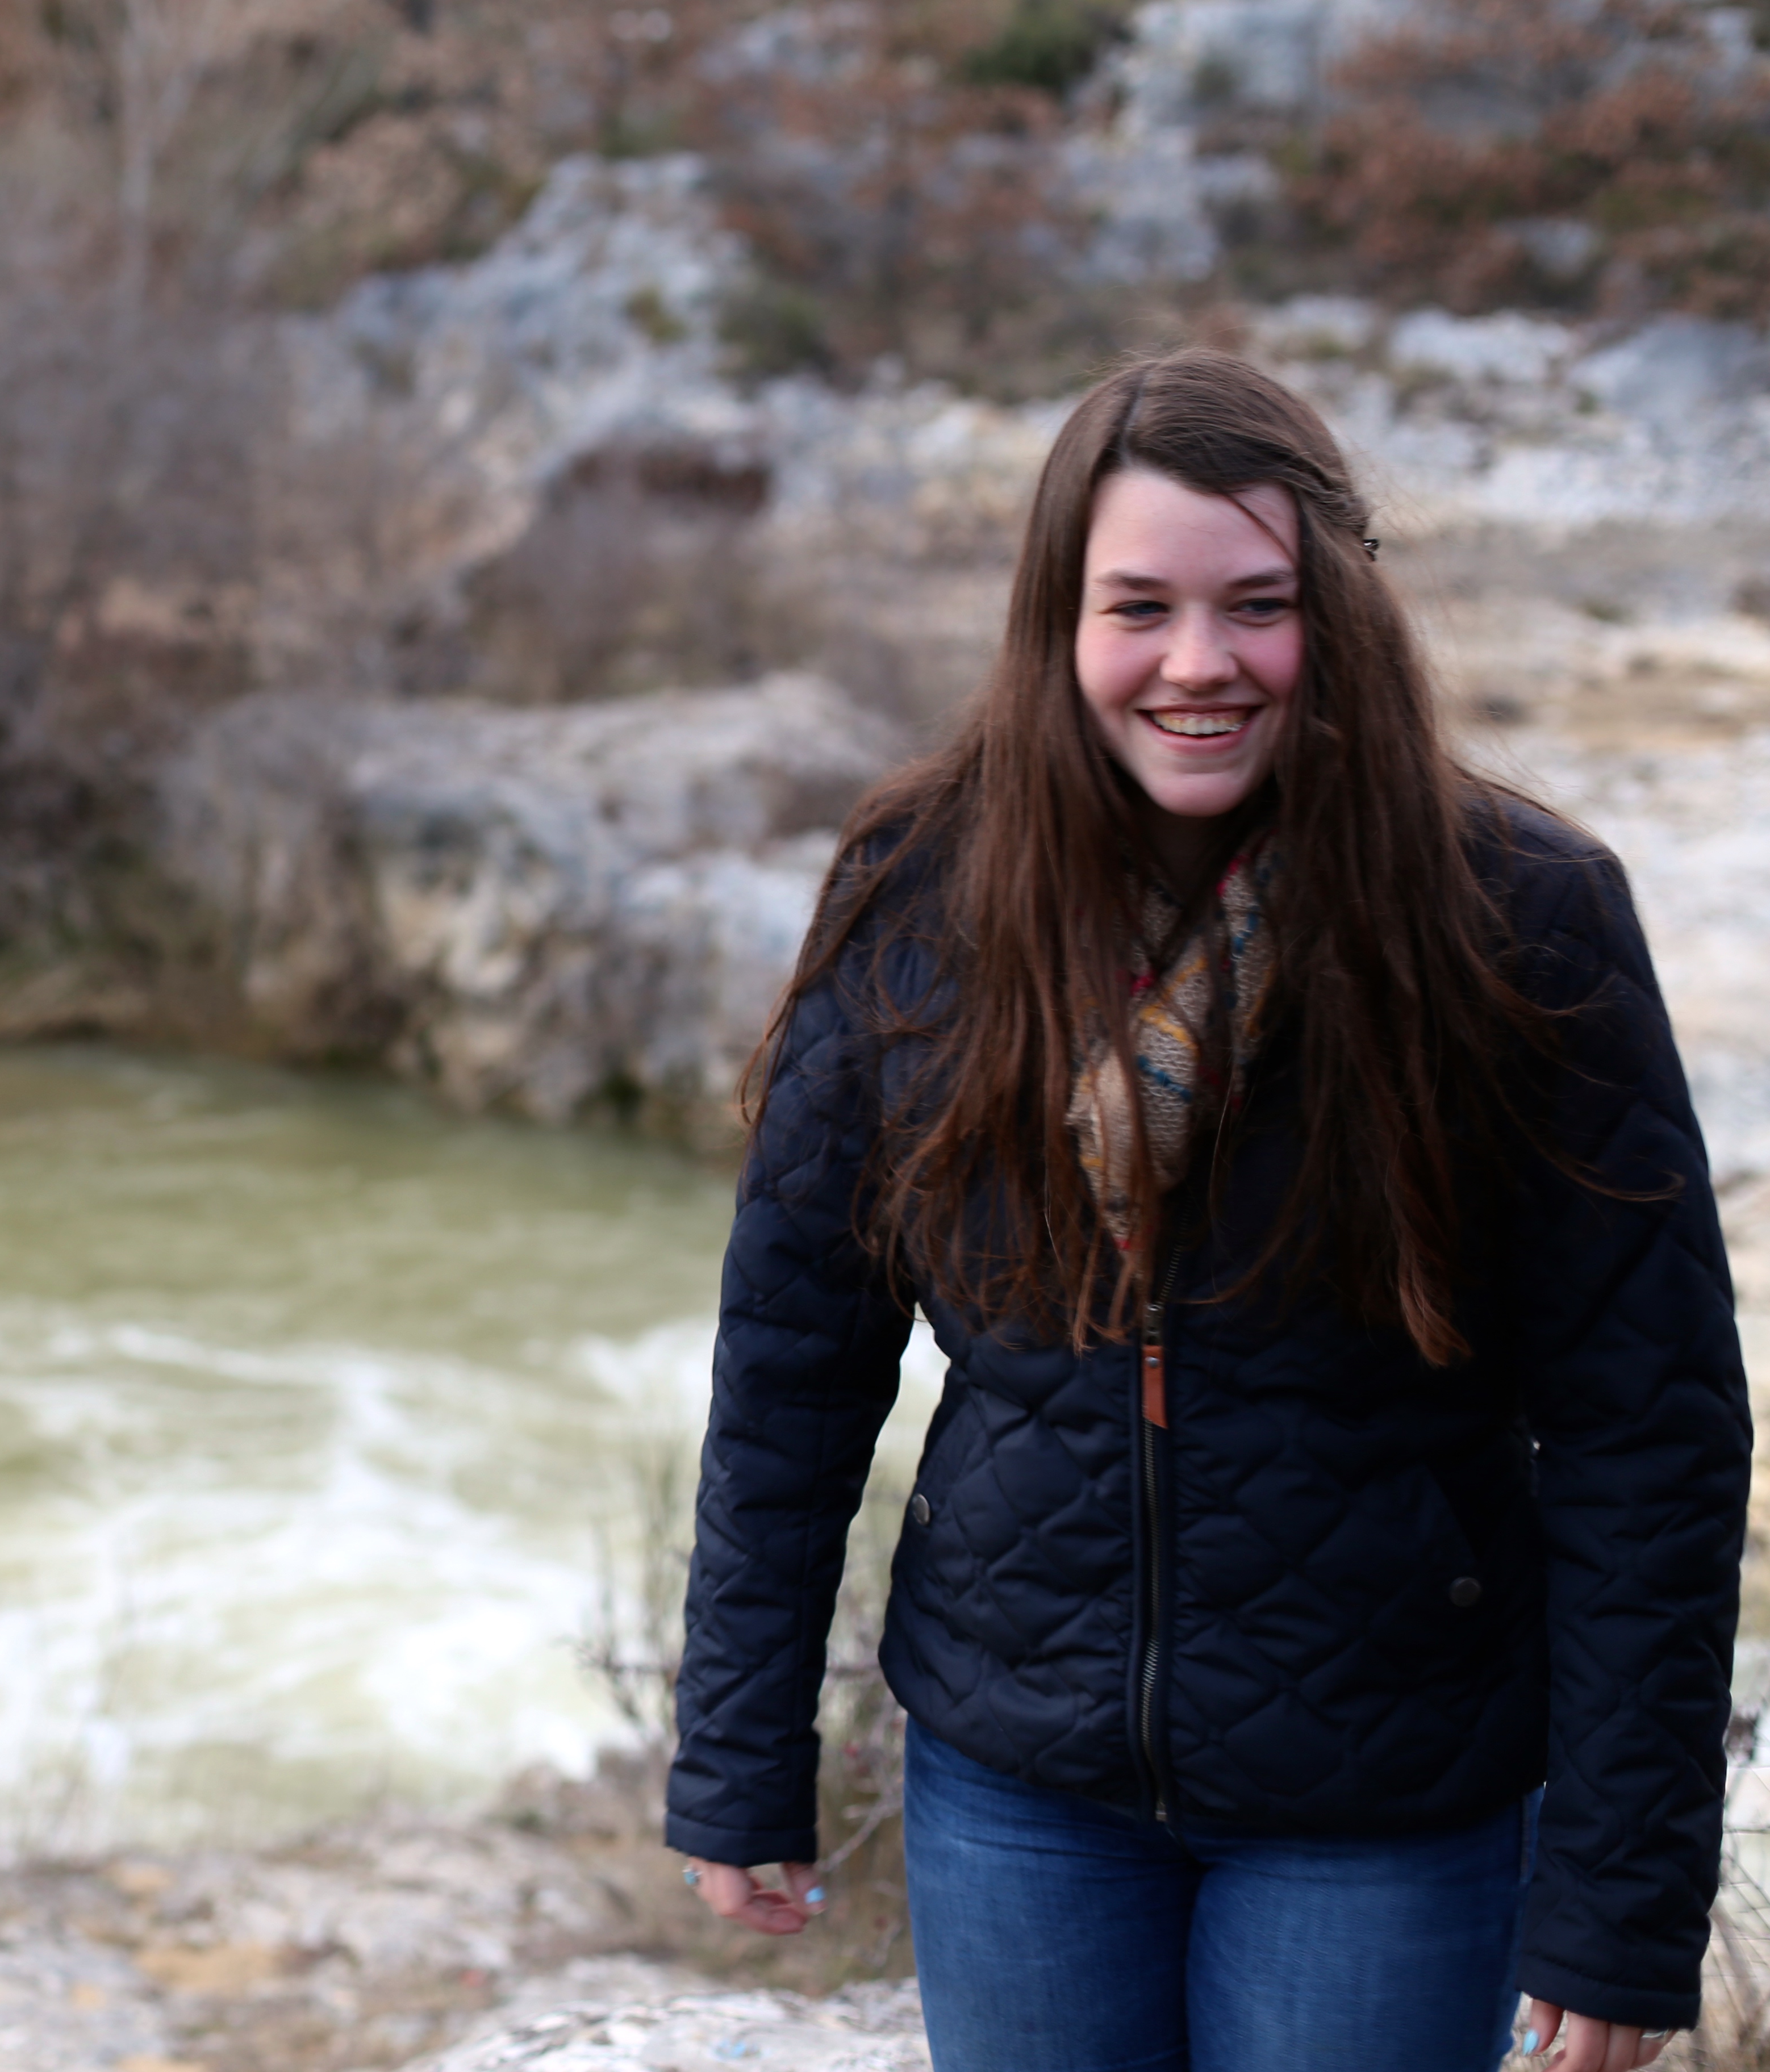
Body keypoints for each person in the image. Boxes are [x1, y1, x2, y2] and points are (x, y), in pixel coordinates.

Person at [663, 348, 1749, 2072]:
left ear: (1340, 615)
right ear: (1055, 623)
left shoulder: (1517, 921)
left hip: (1391, 1798)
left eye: (1258, 605)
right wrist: (739, 1748)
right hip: (1015, 1784)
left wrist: (1624, 1899)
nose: (1198, 664)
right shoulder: (921, 895)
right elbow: (797, 1352)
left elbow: (1652, 1431)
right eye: (1138, 607)